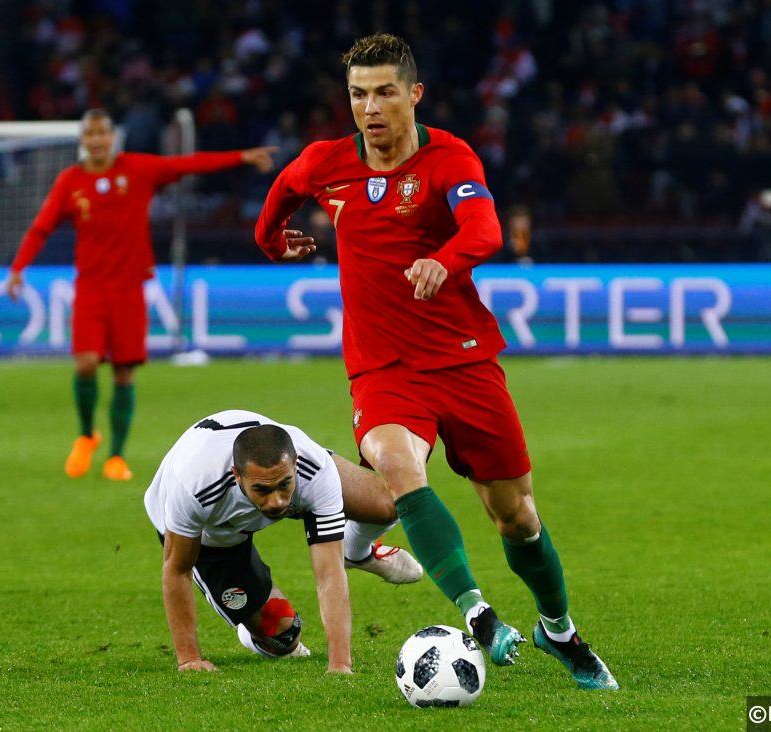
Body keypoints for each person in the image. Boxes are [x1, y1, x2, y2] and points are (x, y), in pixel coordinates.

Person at [254, 33, 617, 690]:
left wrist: (443, 261)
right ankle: (478, 616)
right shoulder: (326, 163)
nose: (371, 108)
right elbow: (276, 200)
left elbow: (485, 230)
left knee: (516, 515)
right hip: (384, 367)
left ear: (413, 94)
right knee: (396, 465)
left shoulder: (449, 158)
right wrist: (275, 240)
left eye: (385, 92)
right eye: (359, 94)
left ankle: (557, 630)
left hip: (464, 360)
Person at [7, 108, 277, 481]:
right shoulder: (70, 181)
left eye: (103, 133)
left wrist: (240, 157)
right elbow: (41, 228)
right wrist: (18, 269)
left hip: (129, 288)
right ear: (83, 141)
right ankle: (87, 435)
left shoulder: (137, 169)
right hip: (90, 288)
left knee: (123, 373)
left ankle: (116, 456)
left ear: (112, 138)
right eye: (91, 134)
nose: (97, 140)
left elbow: (188, 164)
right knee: (85, 363)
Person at [144, 409, 423, 673]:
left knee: (387, 503)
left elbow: (328, 574)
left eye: (284, 485)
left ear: (295, 464)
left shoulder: (313, 471)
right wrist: (189, 659)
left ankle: (355, 550)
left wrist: (340, 664)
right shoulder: (194, 488)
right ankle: (250, 625)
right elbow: (177, 569)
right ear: (236, 475)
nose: (277, 501)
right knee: (284, 638)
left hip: (279, 472)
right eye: (262, 489)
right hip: (214, 535)